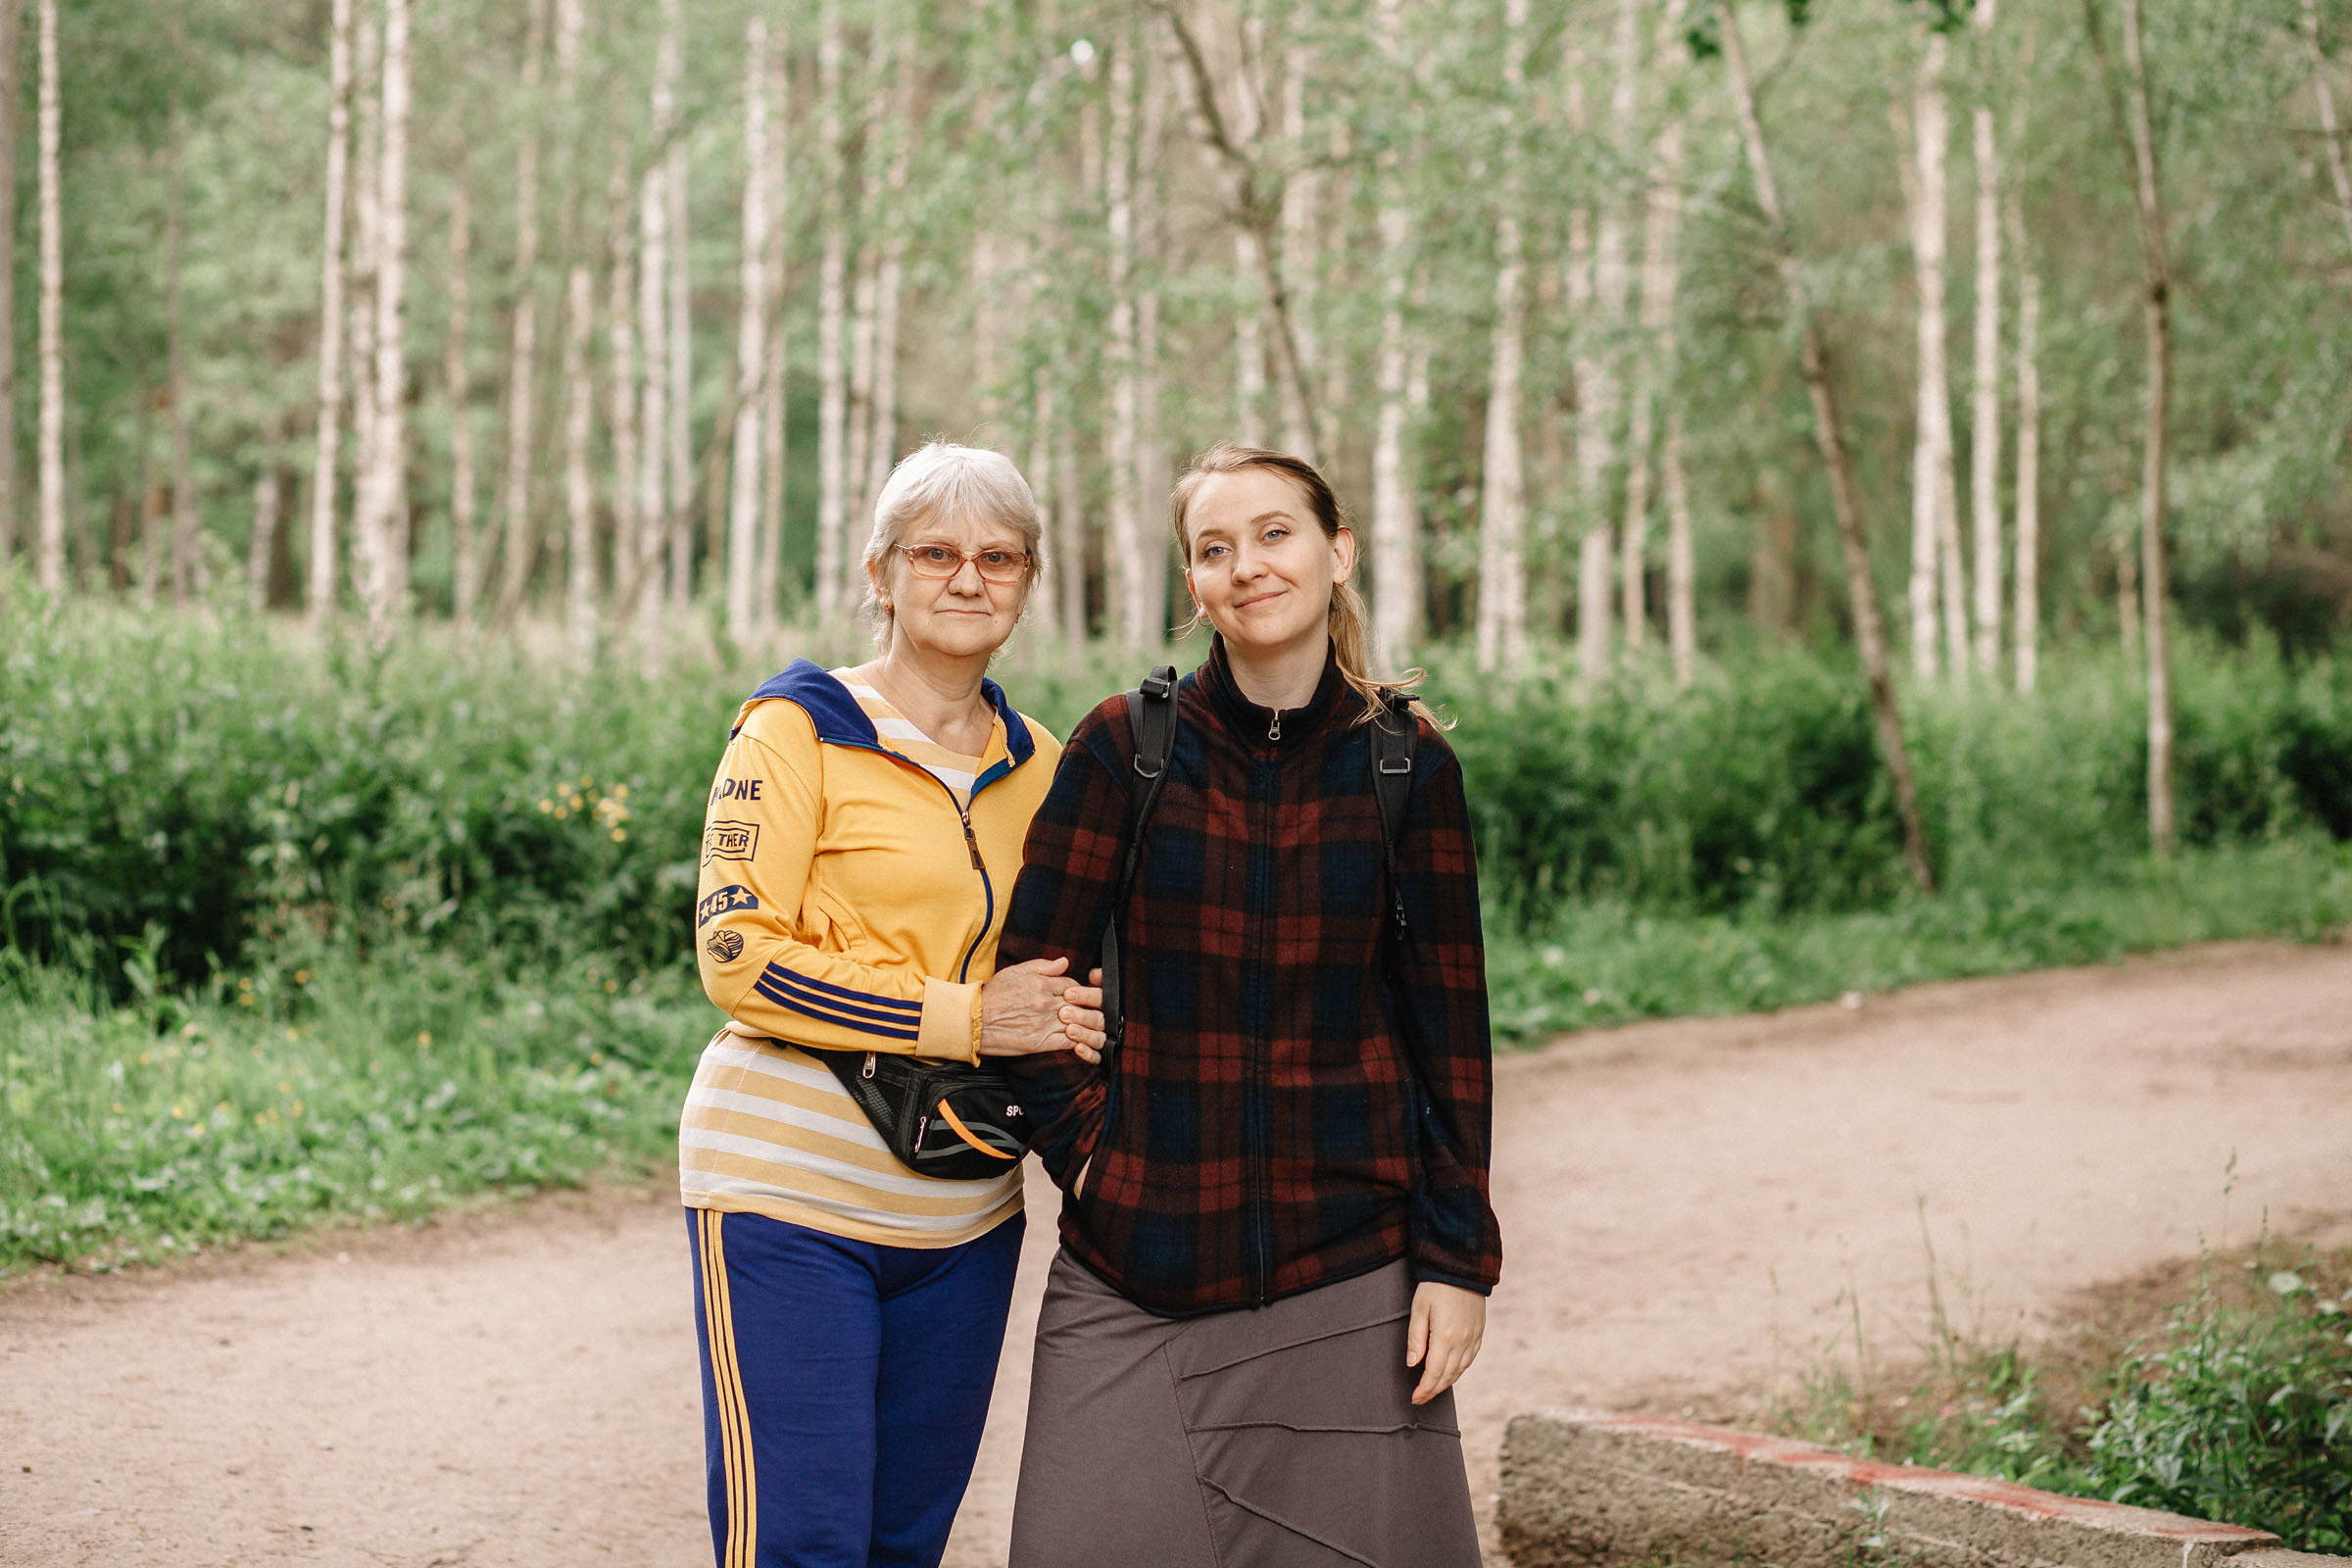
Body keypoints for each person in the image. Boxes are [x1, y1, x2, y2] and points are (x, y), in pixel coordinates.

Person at [996, 443, 1501, 1567]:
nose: (1249, 566)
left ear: (1338, 552)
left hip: (1351, 1261)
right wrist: (1095, 1163)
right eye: (1215, 548)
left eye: (1275, 533)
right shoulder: (1125, 746)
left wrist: (1457, 1259)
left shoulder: (1406, 765)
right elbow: (1027, 995)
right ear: (1194, 585)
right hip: (1135, 1262)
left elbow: (1449, 1038)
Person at [680, 441, 1105, 1568]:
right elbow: (737, 955)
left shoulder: (1050, 766)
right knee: (803, 1544)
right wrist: (971, 1017)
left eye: (999, 557)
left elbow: (1075, 974)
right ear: (881, 572)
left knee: (902, 1545)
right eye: (935, 552)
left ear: (1027, 580)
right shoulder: (796, 726)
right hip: (788, 1189)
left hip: (965, 1213)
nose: (968, 579)